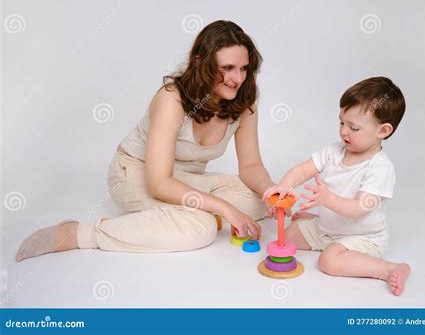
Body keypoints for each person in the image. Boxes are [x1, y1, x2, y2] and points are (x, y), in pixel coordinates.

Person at [16, 20, 277, 261]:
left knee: (258, 199)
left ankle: (194, 211)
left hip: (185, 178)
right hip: (137, 174)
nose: (237, 79)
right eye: (227, 68)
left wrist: (276, 196)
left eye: (244, 68)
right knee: (201, 229)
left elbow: (251, 167)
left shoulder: (243, 101)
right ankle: (81, 234)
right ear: (201, 63)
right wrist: (223, 208)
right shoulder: (172, 99)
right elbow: (159, 183)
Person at [262, 77, 411, 296]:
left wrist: (327, 199)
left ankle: (389, 269)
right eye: (342, 122)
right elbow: (303, 169)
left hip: (362, 237)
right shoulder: (334, 151)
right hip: (329, 230)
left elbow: (360, 208)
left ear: (383, 131)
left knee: (328, 261)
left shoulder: (379, 167)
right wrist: (285, 185)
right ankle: (318, 223)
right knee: (287, 235)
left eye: (354, 127)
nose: (344, 132)